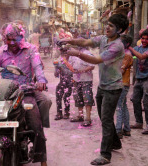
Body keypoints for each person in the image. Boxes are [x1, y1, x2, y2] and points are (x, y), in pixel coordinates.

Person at [58, 13, 129, 165]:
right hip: (103, 86)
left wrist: (76, 53)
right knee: (106, 118)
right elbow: (85, 41)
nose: (107, 28)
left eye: (111, 26)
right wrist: (69, 40)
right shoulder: (103, 38)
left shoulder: (117, 46)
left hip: (113, 88)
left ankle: (105, 155)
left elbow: (96, 60)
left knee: (106, 120)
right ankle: (115, 143)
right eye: (107, 24)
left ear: (119, 29)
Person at [0, 22, 51, 166]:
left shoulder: (31, 50)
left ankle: (42, 158)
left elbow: (37, 67)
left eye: (14, 39)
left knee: (35, 124)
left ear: (21, 37)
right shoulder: (0, 53)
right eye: (8, 39)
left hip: (25, 93)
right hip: (5, 94)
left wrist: (41, 80)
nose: (11, 43)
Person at [128, 29, 148, 134]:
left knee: (147, 101)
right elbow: (132, 55)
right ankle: (139, 122)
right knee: (135, 99)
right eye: (142, 38)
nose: (144, 41)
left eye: (146, 39)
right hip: (139, 77)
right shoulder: (138, 48)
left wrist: (129, 47)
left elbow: (141, 56)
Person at [68, 46, 95, 127]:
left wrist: (82, 70)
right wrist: (72, 70)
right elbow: (69, 65)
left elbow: (92, 66)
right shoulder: (73, 55)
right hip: (76, 80)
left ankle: (88, 118)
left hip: (86, 79)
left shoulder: (88, 54)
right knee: (78, 98)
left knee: (87, 99)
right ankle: (80, 116)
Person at [115, 34, 133, 139]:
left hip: (122, 84)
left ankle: (118, 130)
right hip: (123, 83)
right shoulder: (124, 54)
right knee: (123, 105)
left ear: (127, 44)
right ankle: (126, 129)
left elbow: (121, 70)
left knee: (119, 106)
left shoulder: (126, 55)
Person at [53, 54, 73, 120]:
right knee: (58, 95)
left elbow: (71, 73)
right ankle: (59, 113)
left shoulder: (72, 61)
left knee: (66, 97)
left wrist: (61, 68)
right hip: (62, 82)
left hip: (70, 83)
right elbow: (56, 75)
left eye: (65, 53)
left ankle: (67, 112)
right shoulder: (61, 62)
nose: (64, 55)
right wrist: (56, 67)